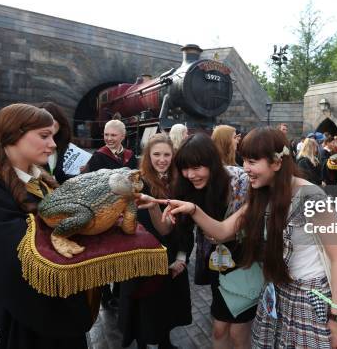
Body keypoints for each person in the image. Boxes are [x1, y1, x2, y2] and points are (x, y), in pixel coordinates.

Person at [161, 127, 337, 348]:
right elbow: (222, 231)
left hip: (309, 299)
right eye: (244, 160)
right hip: (276, 293)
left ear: (277, 163)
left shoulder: (311, 197)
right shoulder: (262, 195)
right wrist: (193, 209)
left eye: (252, 161)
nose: (245, 168)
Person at [0, 103, 98, 348]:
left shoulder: (42, 181)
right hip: (9, 320)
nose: (53, 144)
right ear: (15, 134)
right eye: (44, 136)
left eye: (53, 136)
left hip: (55, 310)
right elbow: (18, 255)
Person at [172, 133, 253, 348]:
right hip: (218, 262)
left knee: (238, 331)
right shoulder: (188, 187)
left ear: (212, 163)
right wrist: (181, 257)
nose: (190, 174)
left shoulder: (241, 181)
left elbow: (235, 229)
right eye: (185, 168)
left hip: (246, 262)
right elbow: (183, 229)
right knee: (219, 329)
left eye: (197, 167)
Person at [118, 134, 192, 349]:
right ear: (148, 157)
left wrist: (181, 256)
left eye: (166, 154)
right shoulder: (137, 183)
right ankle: (142, 344)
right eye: (156, 154)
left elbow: (186, 225)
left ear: (173, 155)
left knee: (167, 304)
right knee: (142, 305)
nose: (162, 159)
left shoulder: (180, 182)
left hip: (172, 254)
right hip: (142, 256)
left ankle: (165, 343)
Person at [85, 119, 137, 309]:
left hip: (124, 209)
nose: (108, 139)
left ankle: (119, 292)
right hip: (104, 211)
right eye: (106, 135)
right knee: (104, 252)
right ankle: (105, 294)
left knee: (122, 250)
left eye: (113, 135)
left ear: (122, 136)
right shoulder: (98, 157)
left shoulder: (130, 156)